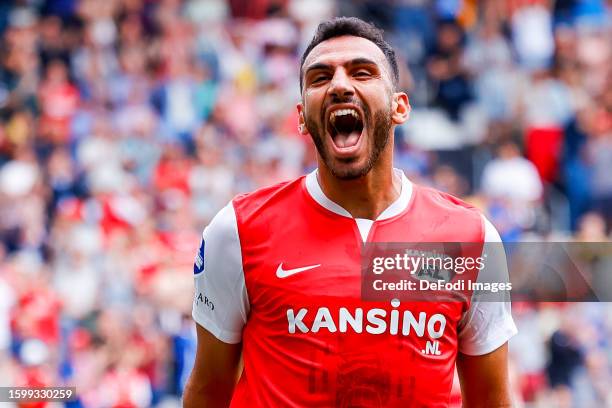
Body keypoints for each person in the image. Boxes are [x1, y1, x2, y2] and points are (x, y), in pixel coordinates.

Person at [184, 17, 517, 407]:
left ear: (400, 108)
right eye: (320, 77)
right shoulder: (238, 229)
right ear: (302, 117)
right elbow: (208, 390)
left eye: (362, 72)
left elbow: (490, 400)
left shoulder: (472, 238)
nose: (340, 85)